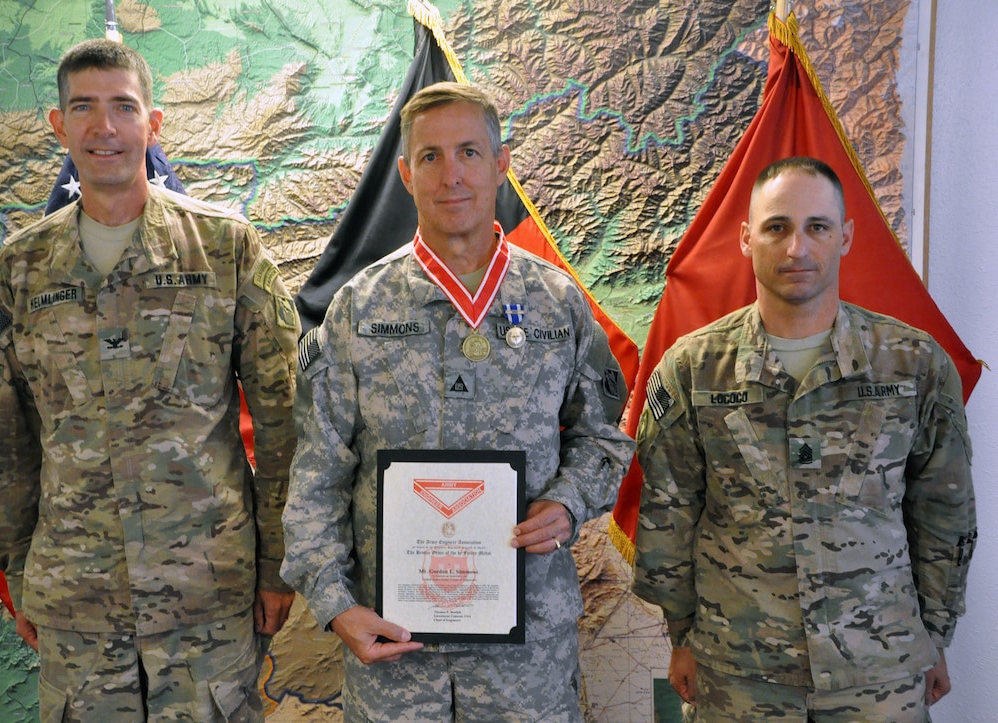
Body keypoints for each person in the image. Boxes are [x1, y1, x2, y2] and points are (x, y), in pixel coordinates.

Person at [281, 81, 636, 721]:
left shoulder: (557, 303)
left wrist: (568, 501)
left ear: (501, 165)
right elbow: (317, 473)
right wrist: (336, 605)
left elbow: (604, 436)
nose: (452, 176)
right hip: (394, 654)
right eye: (431, 157)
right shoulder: (359, 310)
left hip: (527, 653)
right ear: (405, 173)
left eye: (470, 153)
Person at [0, 38, 299, 721]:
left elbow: (279, 422)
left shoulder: (226, 248)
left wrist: (278, 564)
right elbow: (9, 434)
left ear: (154, 125)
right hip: (77, 602)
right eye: (84, 108)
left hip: (206, 595)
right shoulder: (23, 267)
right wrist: (21, 572)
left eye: (124, 107)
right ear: (58, 125)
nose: (105, 128)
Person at [632, 156, 976, 722]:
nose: (796, 248)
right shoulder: (694, 369)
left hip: (879, 668)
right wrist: (680, 635)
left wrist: (933, 635)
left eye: (816, 226)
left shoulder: (912, 365)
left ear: (846, 236)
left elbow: (945, 509)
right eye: (777, 227)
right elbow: (669, 513)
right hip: (737, 670)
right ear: (746, 238)